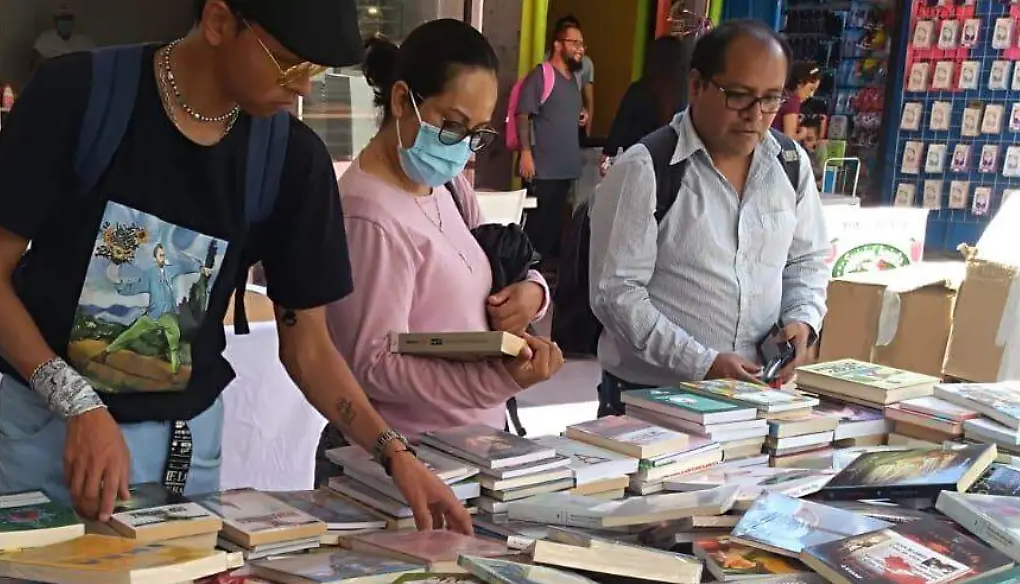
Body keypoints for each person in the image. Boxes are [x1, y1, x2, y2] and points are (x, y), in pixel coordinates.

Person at [0, 0, 473, 533]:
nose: (303, 89)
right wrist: (78, 404)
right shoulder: (80, 97)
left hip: (184, 457)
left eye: (315, 71)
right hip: (50, 434)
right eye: (289, 63)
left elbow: (310, 345)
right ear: (220, 21)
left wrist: (395, 455)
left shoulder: (290, 160)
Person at [326, 21, 563, 438]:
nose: (460, 146)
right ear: (402, 100)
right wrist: (495, 383)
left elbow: (496, 257)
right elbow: (373, 365)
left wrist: (532, 293)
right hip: (408, 455)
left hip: (474, 442)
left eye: (476, 133)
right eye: (452, 125)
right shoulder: (366, 215)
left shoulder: (447, 185)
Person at [589, 19, 828, 412]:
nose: (756, 115)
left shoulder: (789, 163)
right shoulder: (645, 169)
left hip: (756, 395)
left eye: (771, 99)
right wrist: (704, 363)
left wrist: (803, 320)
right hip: (654, 400)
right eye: (739, 96)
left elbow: (807, 259)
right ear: (697, 85)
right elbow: (616, 295)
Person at [518, 15, 586, 261]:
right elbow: (523, 114)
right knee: (536, 231)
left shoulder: (572, 80)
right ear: (558, 45)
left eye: (581, 44)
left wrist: (582, 114)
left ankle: (542, 281)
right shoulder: (541, 75)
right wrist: (526, 153)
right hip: (543, 170)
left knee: (554, 230)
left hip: (565, 169)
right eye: (574, 43)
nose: (580, 49)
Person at [606, 34, 692, 156]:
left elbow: (620, 125)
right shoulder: (686, 95)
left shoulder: (639, 90)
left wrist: (608, 153)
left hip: (638, 161)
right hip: (671, 165)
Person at [776, 60, 821, 139]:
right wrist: (802, 134)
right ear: (800, 83)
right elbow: (788, 140)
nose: (811, 95)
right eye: (811, 89)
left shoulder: (781, 93)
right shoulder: (793, 101)